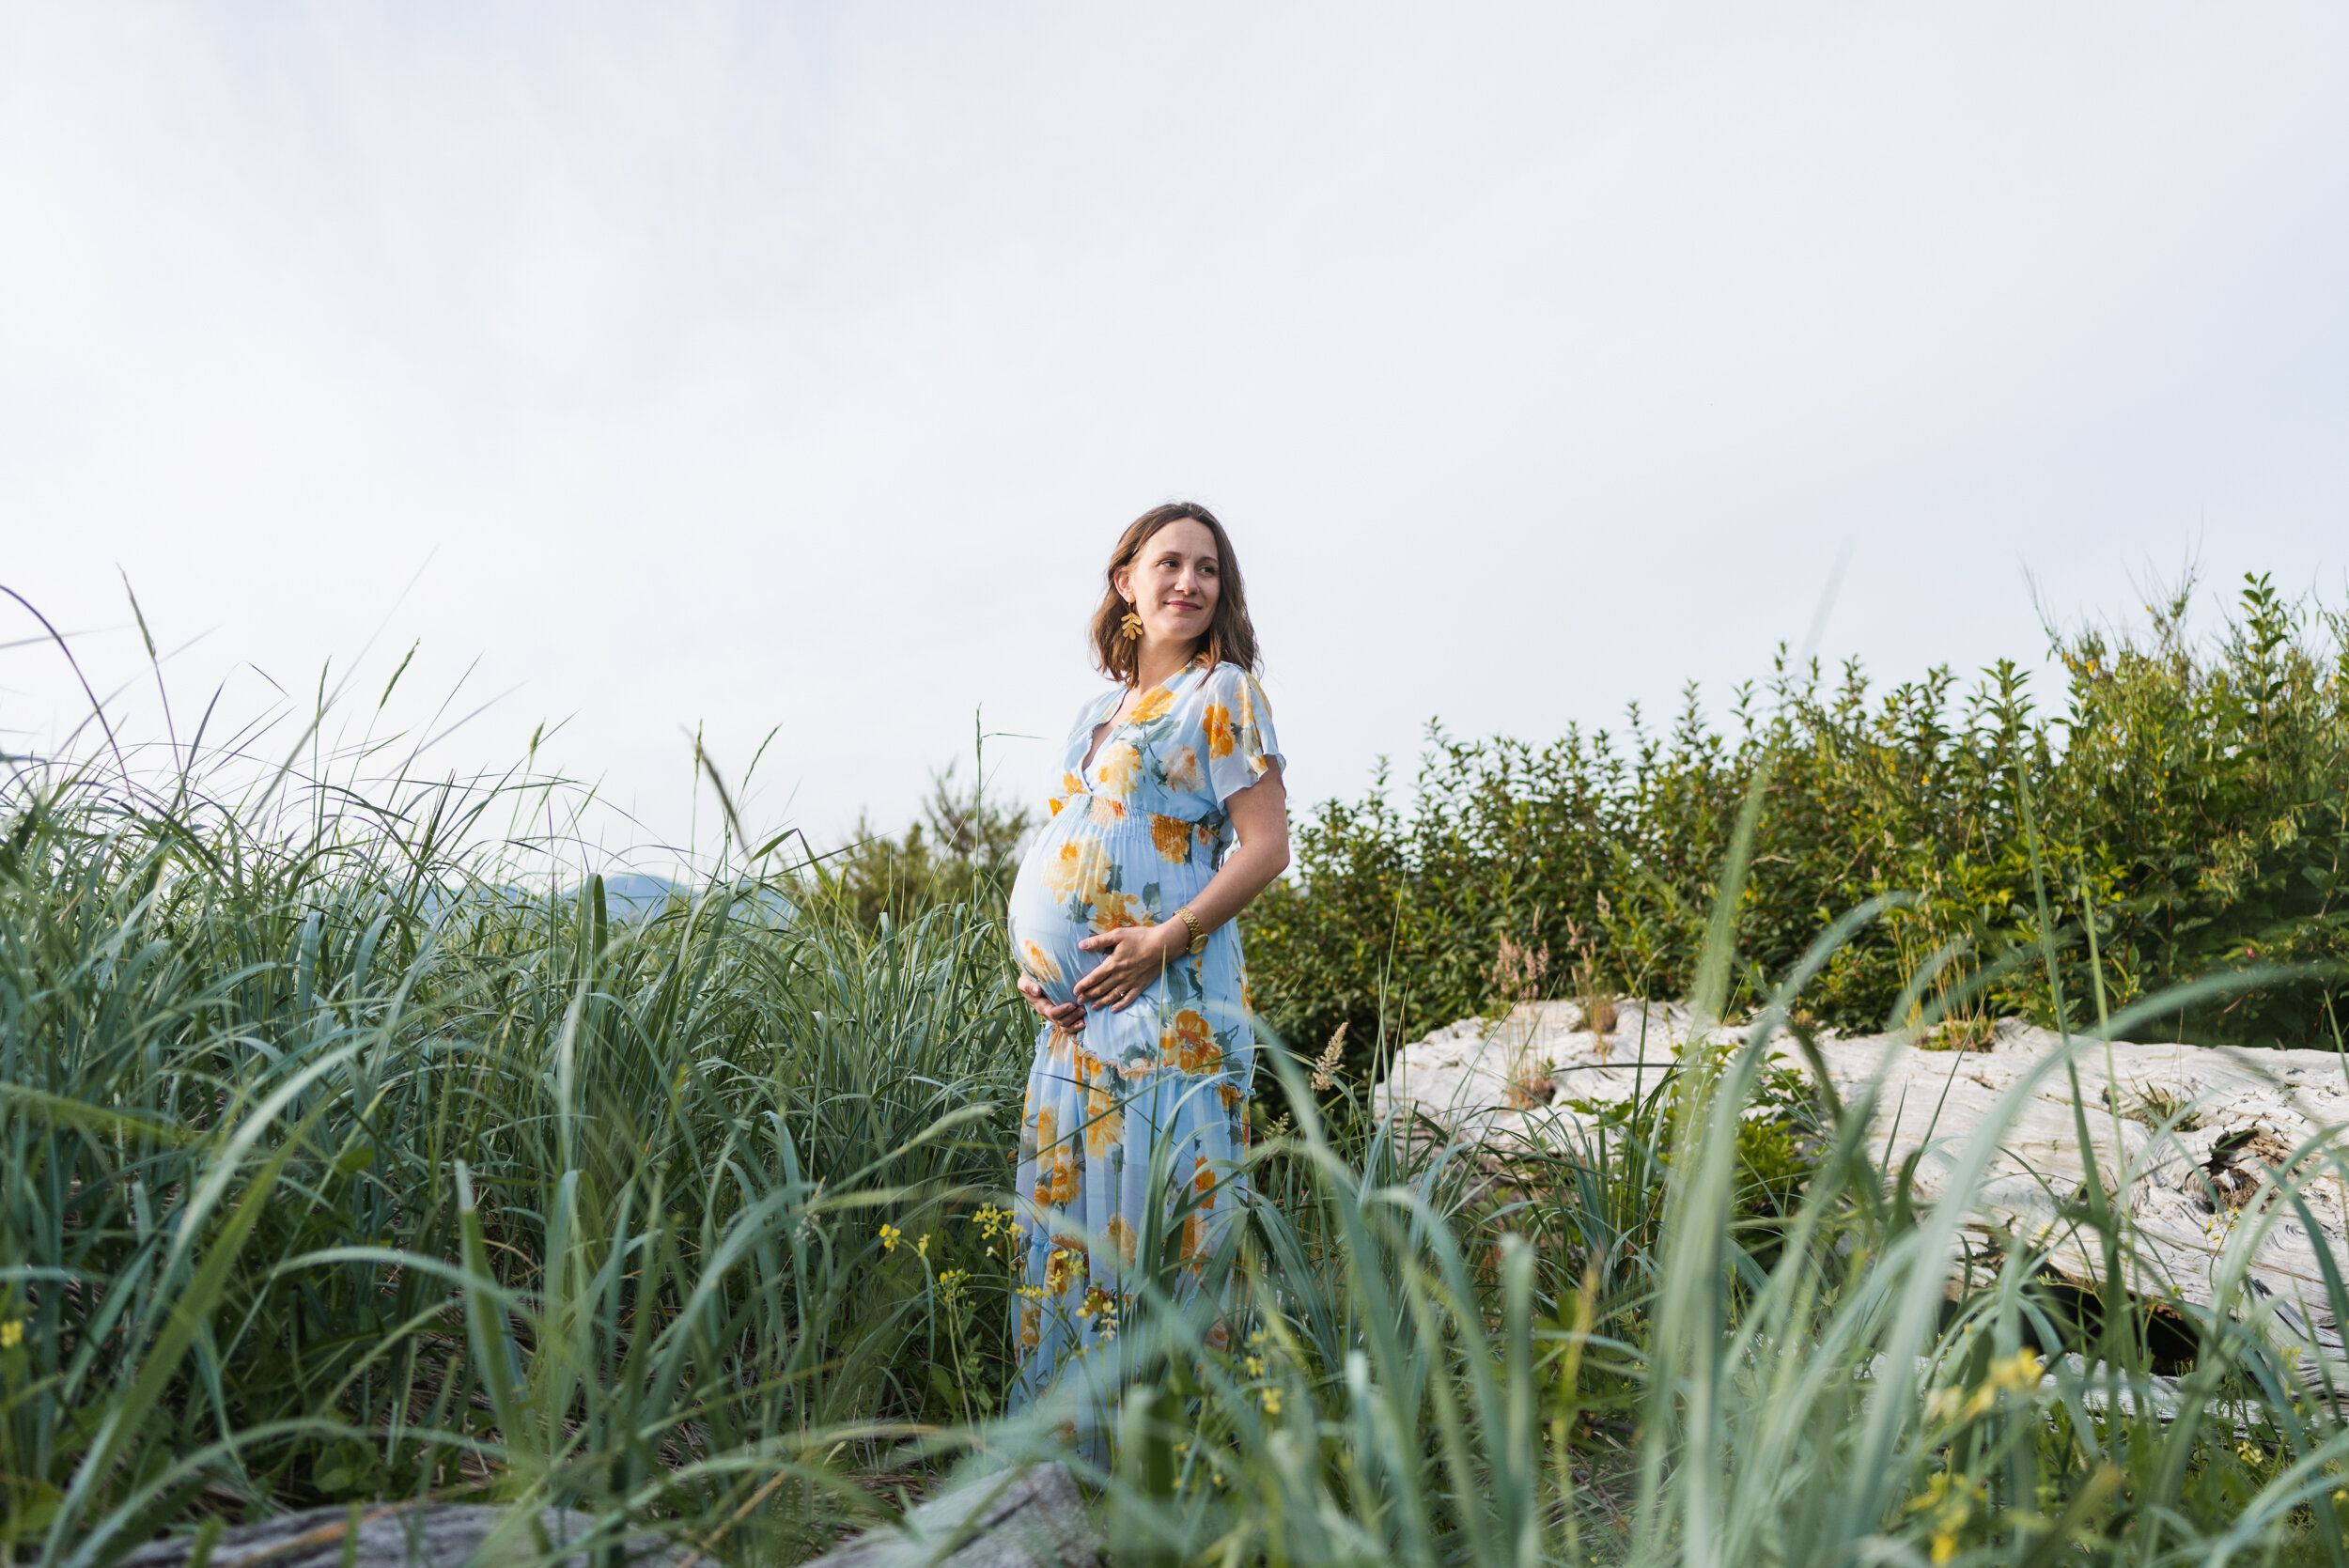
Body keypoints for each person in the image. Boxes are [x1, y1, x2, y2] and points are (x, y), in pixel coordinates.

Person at [1003, 500, 1289, 1421]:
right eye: (1169, 563)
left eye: (1208, 569)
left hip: (1173, 1012)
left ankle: (1173, 1481)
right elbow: (1071, 843)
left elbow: (1265, 847)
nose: (1189, 582)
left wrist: (1165, 939)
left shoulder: (1223, 693)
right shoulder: (1094, 710)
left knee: (1169, 1241)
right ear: (1125, 581)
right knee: (1080, 1242)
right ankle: (1067, 1476)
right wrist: (1035, 973)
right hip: (1077, 1031)